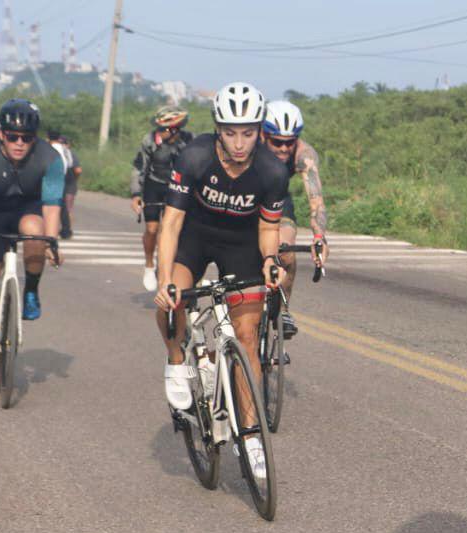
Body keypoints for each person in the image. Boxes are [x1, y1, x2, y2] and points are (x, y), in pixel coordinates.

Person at [152, 83, 288, 479]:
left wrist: (270, 260)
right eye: (230, 133)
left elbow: (269, 228)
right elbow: (171, 223)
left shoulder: (272, 171)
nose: (239, 143)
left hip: (242, 244)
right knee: (173, 300)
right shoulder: (193, 157)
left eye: (248, 133)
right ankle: (177, 359)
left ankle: (251, 436)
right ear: (217, 129)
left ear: (259, 131)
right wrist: (164, 279)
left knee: (246, 336)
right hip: (194, 237)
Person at [0, 99, 64, 380]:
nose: (19, 143)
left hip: (28, 210)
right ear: (1, 135)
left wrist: (51, 242)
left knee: (35, 229)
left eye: (26, 138)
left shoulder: (50, 158)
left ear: (35, 138)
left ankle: (31, 289)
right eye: (12, 137)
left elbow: (52, 206)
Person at [261, 100, 330, 337]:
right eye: (277, 142)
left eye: (289, 142)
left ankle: (283, 310)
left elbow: (316, 201)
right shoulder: (250, 146)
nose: (283, 148)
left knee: (286, 250)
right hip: (248, 200)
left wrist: (319, 237)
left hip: (278, 199)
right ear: (263, 135)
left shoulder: (304, 155)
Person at [131, 106, 191, 291]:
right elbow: (139, 167)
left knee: (170, 228)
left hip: (176, 187)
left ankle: (166, 264)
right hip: (154, 185)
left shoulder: (189, 141)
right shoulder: (150, 140)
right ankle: (149, 265)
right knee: (152, 229)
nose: (159, 132)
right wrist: (136, 194)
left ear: (174, 130)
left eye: (163, 129)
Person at [61, 136, 81, 239]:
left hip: (63, 184)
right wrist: (75, 178)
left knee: (58, 208)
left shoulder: (57, 153)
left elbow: (78, 170)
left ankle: (64, 229)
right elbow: (78, 170)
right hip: (70, 184)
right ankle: (68, 230)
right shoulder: (71, 154)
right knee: (68, 208)